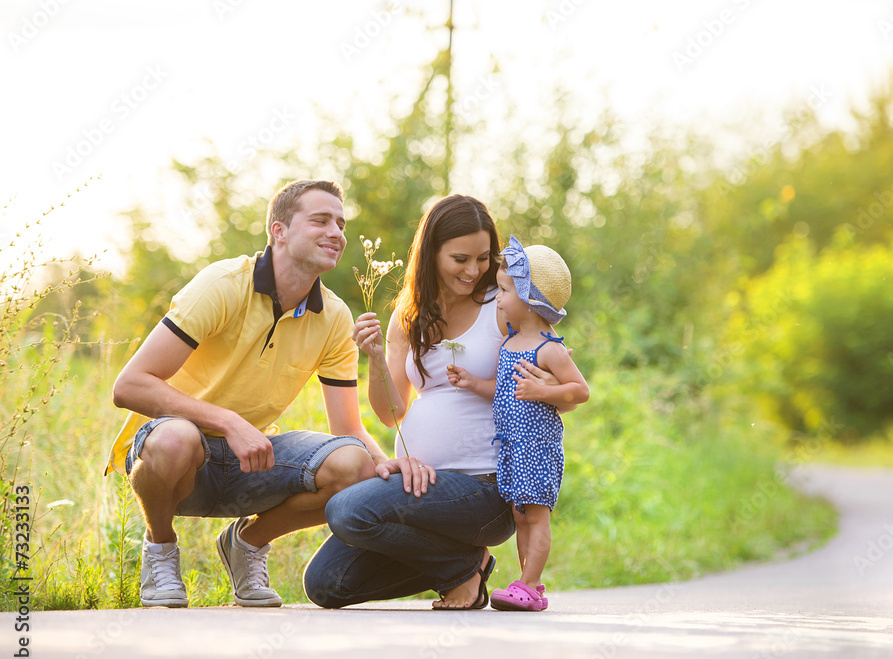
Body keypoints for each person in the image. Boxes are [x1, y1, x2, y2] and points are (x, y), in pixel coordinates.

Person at [105, 179, 396, 608]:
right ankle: (161, 548)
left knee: (357, 466)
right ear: (279, 231)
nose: (337, 232)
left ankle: (247, 542)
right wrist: (228, 421)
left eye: (341, 222)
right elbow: (129, 385)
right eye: (321, 220)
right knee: (175, 438)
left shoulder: (334, 316)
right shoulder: (222, 284)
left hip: (249, 460)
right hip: (177, 458)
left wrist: (386, 464)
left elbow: (348, 428)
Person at [303, 194, 567, 609]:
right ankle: (465, 565)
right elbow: (392, 414)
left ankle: (458, 572)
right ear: (431, 253)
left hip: (487, 489)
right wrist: (373, 358)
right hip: (422, 483)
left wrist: (546, 385)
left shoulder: (501, 306)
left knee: (347, 511)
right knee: (326, 584)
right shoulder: (409, 316)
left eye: (483, 259)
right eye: (460, 258)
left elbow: (552, 369)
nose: (474, 270)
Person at [447, 236, 589, 611]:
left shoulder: (549, 348)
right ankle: (528, 586)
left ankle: (530, 583)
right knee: (520, 516)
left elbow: (580, 390)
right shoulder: (510, 343)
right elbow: (506, 391)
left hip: (537, 447)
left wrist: (544, 393)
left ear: (529, 298)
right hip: (512, 447)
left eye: (505, 290)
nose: (498, 297)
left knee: (536, 517)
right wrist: (473, 383)